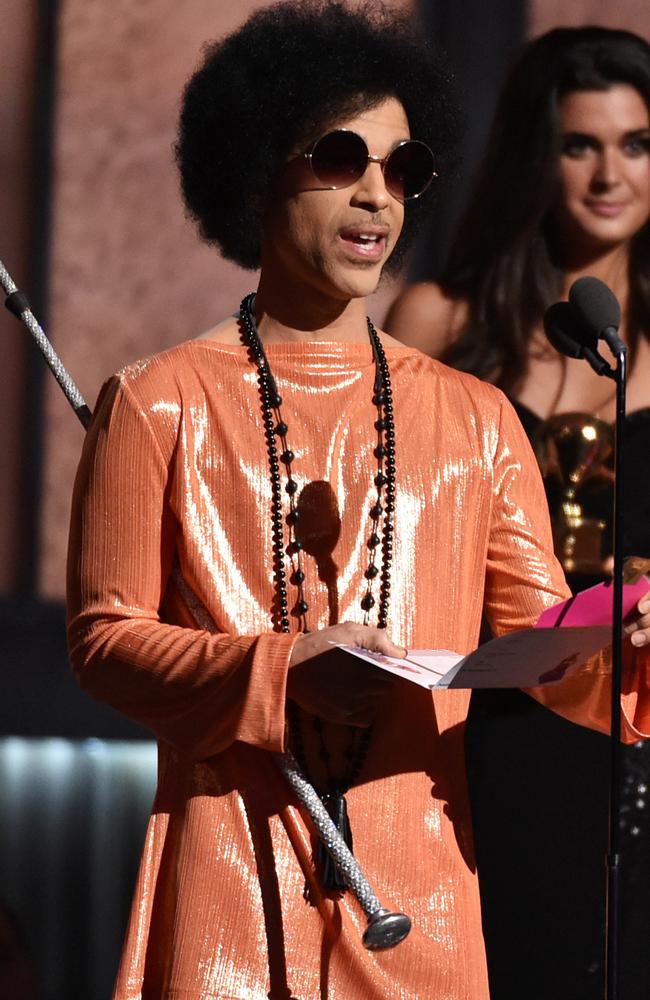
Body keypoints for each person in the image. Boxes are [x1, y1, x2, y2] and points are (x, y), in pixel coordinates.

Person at [66, 8, 650, 999]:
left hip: (418, 901)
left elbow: (540, 647)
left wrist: (620, 646)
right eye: (341, 157)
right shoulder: (154, 399)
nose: (377, 195)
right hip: (227, 892)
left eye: (402, 169)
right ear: (256, 170)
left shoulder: (474, 418)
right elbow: (103, 639)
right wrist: (278, 670)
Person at [387, 25, 650, 1000]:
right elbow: (389, 536)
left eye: (635, 143)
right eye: (577, 145)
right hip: (476, 722)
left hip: (632, 725)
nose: (607, 174)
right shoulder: (438, 320)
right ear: (532, 158)